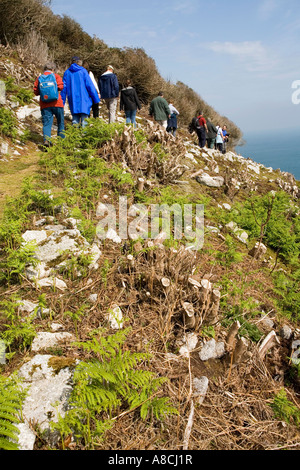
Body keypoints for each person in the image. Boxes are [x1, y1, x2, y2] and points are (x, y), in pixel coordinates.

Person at [60, 56, 100, 128]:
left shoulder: (67, 72)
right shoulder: (83, 71)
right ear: (79, 62)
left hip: (73, 99)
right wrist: (96, 98)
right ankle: (84, 137)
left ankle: (75, 137)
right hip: (84, 100)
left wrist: (62, 102)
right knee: (85, 120)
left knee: (75, 119)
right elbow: (90, 86)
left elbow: (63, 89)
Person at [34, 62, 65, 147]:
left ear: (44, 69)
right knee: (60, 123)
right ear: (53, 69)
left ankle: (47, 141)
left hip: (45, 104)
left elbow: (36, 92)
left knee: (47, 124)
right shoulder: (56, 76)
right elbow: (61, 87)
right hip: (57, 103)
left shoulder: (39, 78)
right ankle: (62, 142)